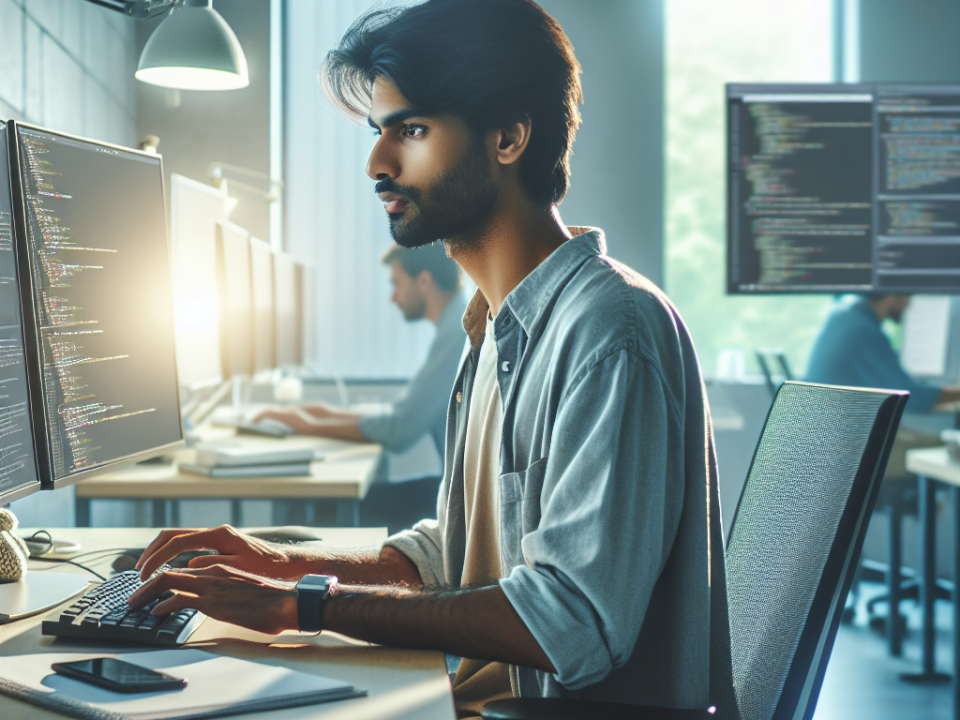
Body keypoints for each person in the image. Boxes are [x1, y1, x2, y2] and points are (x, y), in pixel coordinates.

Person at [131, 1, 737, 716]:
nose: (377, 165)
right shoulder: (495, 327)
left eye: (411, 131)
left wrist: (305, 604)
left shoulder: (609, 332)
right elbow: (453, 555)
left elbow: (571, 621)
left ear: (508, 137)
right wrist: (279, 564)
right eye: (378, 133)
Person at [257, 241, 467, 458]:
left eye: (397, 284)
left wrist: (306, 425)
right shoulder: (456, 323)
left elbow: (399, 428)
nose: (393, 297)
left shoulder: (458, 334)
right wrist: (326, 413)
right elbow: (402, 415)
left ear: (424, 281)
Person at [805, 293, 960, 413]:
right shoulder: (863, 329)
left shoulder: (846, 314)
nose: (909, 304)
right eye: (908, 295)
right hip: (838, 427)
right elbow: (907, 398)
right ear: (892, 295)